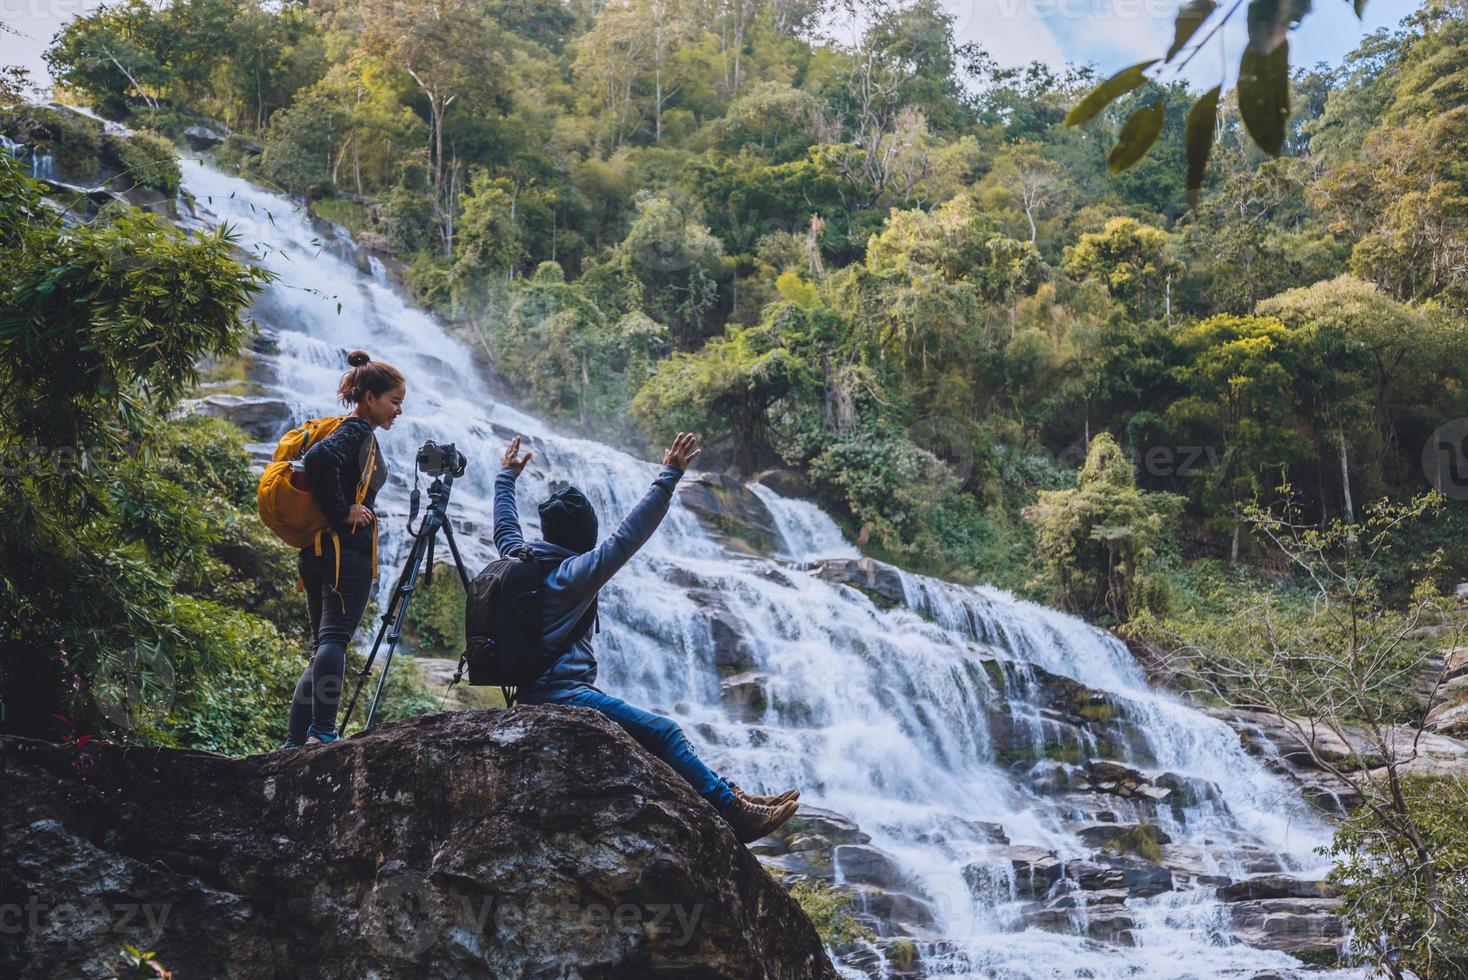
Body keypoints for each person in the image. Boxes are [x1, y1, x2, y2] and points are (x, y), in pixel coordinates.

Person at [493, 432, 802, 844]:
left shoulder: (520, 557)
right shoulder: (575, 574)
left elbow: (505, 525)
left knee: (651, 732)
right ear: (582, 537)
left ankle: (726, 792)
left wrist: (505, 479)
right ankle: (732, 812)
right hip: (561, 693)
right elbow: (628, 537)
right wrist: (669, 476)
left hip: (536, 688)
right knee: (665, 731)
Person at [282, 350, 405, 748]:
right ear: (369, 398)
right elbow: (318, 458)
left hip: (317, 552)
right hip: (343, 553)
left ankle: (296, 740)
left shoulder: (347, 429)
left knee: (324, 645)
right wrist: (343, 512)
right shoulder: (356, 431)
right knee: (334, 640)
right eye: (394, 401)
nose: (397, 411)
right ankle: (323, 731)